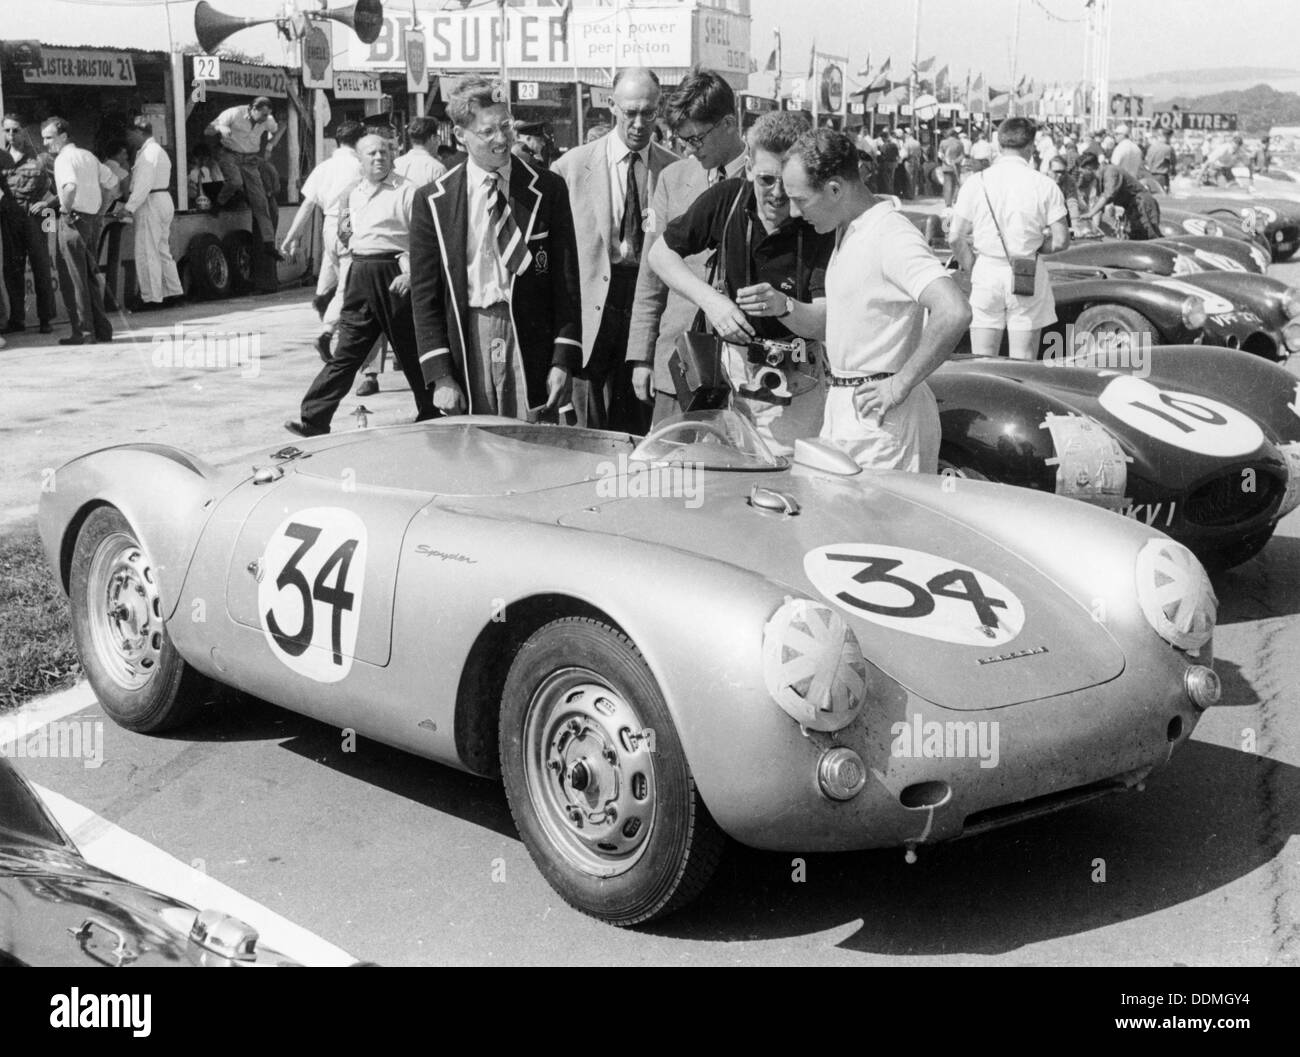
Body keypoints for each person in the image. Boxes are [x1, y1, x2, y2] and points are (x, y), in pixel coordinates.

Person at [780, 127, 971, 473]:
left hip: (882, 422)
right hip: (852, 412)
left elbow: (954, 311)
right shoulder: (848, 230)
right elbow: (838, 325)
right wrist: (783, 307)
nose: (794, 213)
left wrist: (898, 385)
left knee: (878, 527)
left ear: (835, 189)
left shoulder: (890, 235)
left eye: (801, 200)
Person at [647, 111, 833, 456]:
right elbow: (660, 254)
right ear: (748, 168)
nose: (777, 195)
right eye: (766, 180)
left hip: (797, 389)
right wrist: (711, 302)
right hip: (731, 380)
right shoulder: (728, 199)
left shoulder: (816, 220)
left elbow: (824, 320)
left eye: (788, 183)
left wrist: (785, 307)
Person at [409, 76, 581, 420]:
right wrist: (441, 374)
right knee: (476, 446)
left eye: (506, 126)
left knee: (532, 445)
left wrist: (563, 358)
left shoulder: (548, 189)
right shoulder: (432, 200)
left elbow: (566, 282)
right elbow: (425, 294)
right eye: (488, 132)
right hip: (468, 335)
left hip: (529, 336)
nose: (502, 139)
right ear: (460, 135)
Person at [552, 67, 677, 434]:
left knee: (636, 422)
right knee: (586, 426)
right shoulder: (571, 167)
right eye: (630, 112)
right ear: (611, 106)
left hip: (643, 302)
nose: (639, 123)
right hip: (591, 307)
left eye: (649, 113)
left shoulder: (675, 170)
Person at [284, 135, 435, 436]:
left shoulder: (409, 191)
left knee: (411, 349)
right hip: (360, 273)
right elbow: (347, 234)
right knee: (347, 352)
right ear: (360, 160)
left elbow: (426, 241)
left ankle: (433, 412)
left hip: (395, 274)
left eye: (384, 152)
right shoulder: (352, 193)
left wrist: (411, 274)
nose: (379, 158)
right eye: (371, 154)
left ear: (392, 155)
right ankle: (313, 419)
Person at [625, 66, 749, 426]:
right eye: (684, 142)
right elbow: (651, 276)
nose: (690, 151)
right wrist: (642, 356)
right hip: (678, 359)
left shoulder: (766, 181)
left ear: (728, 123)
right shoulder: (674, 179)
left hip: (744, 368)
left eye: (697, 140)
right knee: (674, 473)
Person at [949, 118, 1069, 362]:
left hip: (986, 269)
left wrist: (973, 266)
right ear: (1030, 146)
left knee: (982, 359)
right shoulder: (1045, 185)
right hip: (1027, 271)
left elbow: (954, 237)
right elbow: (1060, 241)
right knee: (1023, 360)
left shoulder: (976, 182)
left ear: (999, 143)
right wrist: (1037, 244)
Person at [280, 120, 364, 359]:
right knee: (348, 283)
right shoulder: (360, 166)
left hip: (329, 224)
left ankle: (328, 311)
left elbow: (307, 205)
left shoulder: (324, 167)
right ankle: (328, 331)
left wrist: (291, 236)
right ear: (359, 142)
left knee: (330, 275)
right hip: (350, 220)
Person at [42, 117, 117, 345]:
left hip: (73, 220)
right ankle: (102, 330)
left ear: (63, 136)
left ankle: (84, 333)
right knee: (90, 277)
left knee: (74, 279)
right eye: (43, 138)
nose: (45, 143)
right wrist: (100, 211)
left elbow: (70, 186)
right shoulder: (88, 156)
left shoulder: (63, 159)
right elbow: (113, 185)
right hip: (91, 220)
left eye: (49, 137)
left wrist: (65, 208)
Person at [116, 118, 183, 312]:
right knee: (161, 249)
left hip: (151, 201)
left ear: (138, 132)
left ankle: (151, 298)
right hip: (162, 199)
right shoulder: (156, 151)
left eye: (130, 133)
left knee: (147, 251)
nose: (128, 138)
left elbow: (144, 184)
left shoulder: (149, 153)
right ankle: (173, 291)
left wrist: (129, 207)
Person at [0, 116, 57, 334]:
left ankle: (46, 319)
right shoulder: (1, 158)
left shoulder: (42, 159)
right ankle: (17, 319)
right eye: (7, 131)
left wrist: (47, 204)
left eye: (16, 130)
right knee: (12, 270)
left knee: (42, 267)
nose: (11, 135)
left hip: (36, 219)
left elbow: (60, 188)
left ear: (24, 131)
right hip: (10, 218)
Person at [208, 96, 279, 252]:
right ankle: (219, 204)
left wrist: (270, 145)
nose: (264, 119)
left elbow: (278, 128)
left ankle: (269, 243)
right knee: (236, 181)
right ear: (253, 109)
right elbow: (208, 129)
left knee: (260, 200)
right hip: (228, 153)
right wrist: (220, 128)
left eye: (267, 115)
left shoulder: (268, 119)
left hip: (250, 159)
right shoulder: (233, 113)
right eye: (262, 115)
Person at [1077, 150, 1161, 239]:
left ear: (1089, 168)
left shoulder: (1110, 171)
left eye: (1082, 172)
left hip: (1142, 204)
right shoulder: (1099, 179)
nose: (1081, 175)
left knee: (1150, 236)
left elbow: (1108, 195)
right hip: (1132, 207)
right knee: (1135, 238)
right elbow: (1099, 204)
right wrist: (1093, 228)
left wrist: (1091, 213)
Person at [393, 116, 447, 188]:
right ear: (432, 138)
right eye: (437, 138)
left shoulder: (396, 163)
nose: (438, 142)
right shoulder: (437, 169)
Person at [937, 124, 964, 207]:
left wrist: (946, 161)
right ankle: (955, 200)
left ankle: (948, 203)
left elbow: (940, 155)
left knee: (947, 184)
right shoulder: (959, 143)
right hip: (956, 167)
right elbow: (962, 156)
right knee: (956, 184)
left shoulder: (943, 142)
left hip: (946, 166)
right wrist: (955, 162)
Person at [1144, 127, 1176, 192]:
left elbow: (1146, 161)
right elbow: (1173, 163)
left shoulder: (1151, 147)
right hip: (1162, 177)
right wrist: (1173, 172)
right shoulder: (1168, 148)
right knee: (1162, 198)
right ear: (1168, 136)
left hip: (1150, 176)